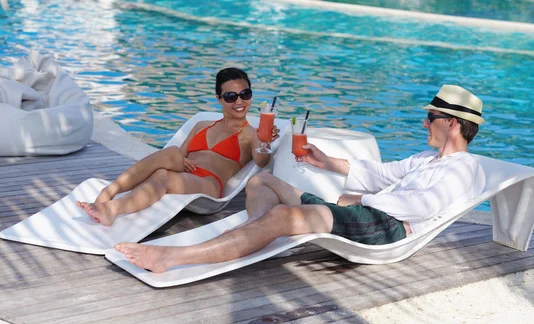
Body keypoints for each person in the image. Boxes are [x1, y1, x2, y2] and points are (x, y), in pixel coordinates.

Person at [116, 84, 486, 273]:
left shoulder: (462, 169)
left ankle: (174, 258)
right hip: (363, 214)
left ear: (451, 124)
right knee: (260, 183)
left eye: (431, 117)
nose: (425, 122)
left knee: (281, 217)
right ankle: (250, 240)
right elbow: (379, 173)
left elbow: (421, 207)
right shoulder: (427, 157)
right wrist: (326, 162)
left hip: (385, 227)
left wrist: (361, 201)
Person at [77, 67, 279, 226]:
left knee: (162, 175)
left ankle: (112, 209)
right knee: (170, 157)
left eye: (245, 94)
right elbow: (178, 156)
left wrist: (265, 141)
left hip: (208, 184)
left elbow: (262, 160)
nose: (239, 101)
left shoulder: (252, 134)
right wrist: (180, 160)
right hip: (183, 173)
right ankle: (109, 192)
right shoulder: (202, 125)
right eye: (230, 96)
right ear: (219, 99)